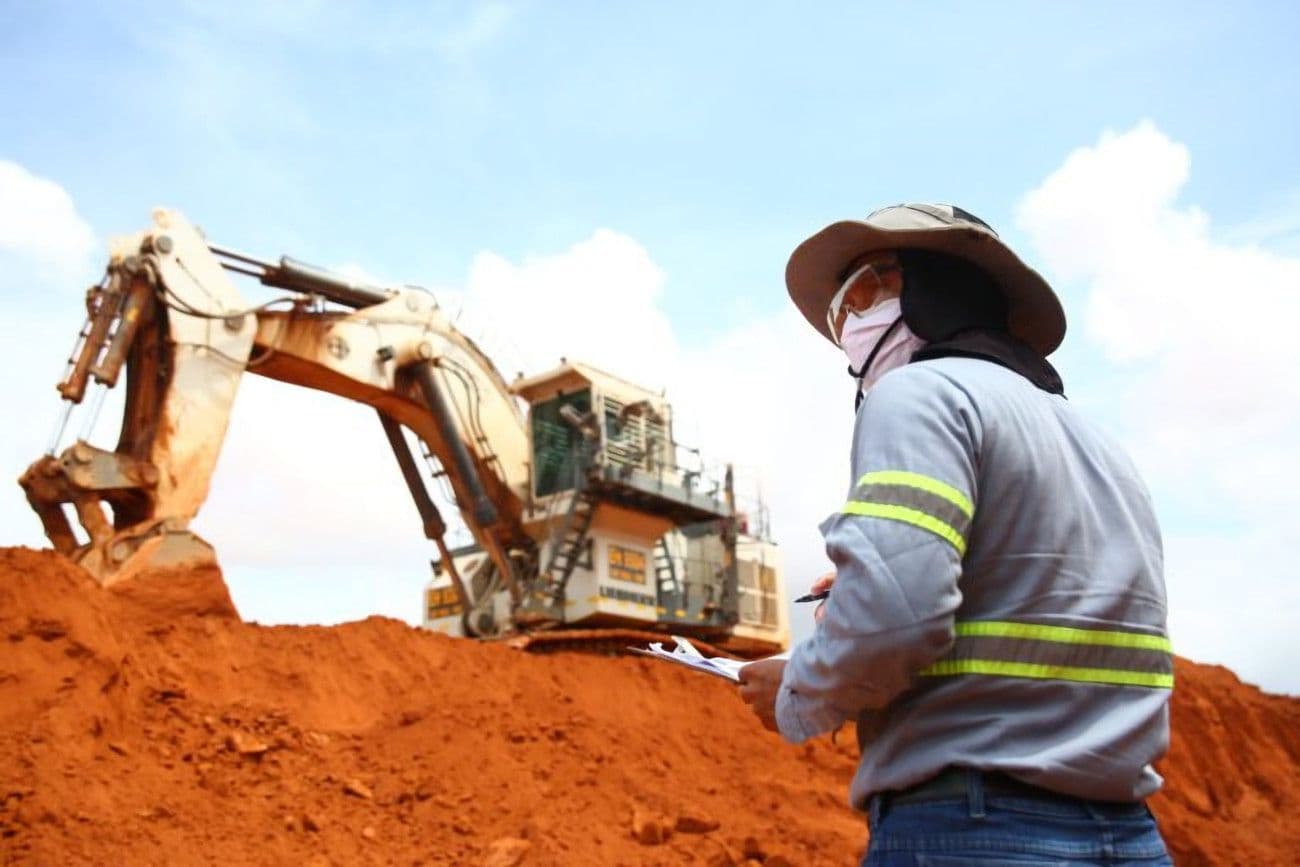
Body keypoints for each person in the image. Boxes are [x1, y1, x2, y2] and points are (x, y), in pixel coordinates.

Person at [738, 203, 1173, 865]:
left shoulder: (918, 395)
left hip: (974, 827)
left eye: (863, 292)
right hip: (1127, 834)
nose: (850, 325)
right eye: (839, 314)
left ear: (934, 289)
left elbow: (896, 618)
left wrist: (801, 688)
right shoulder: (1103, 446)